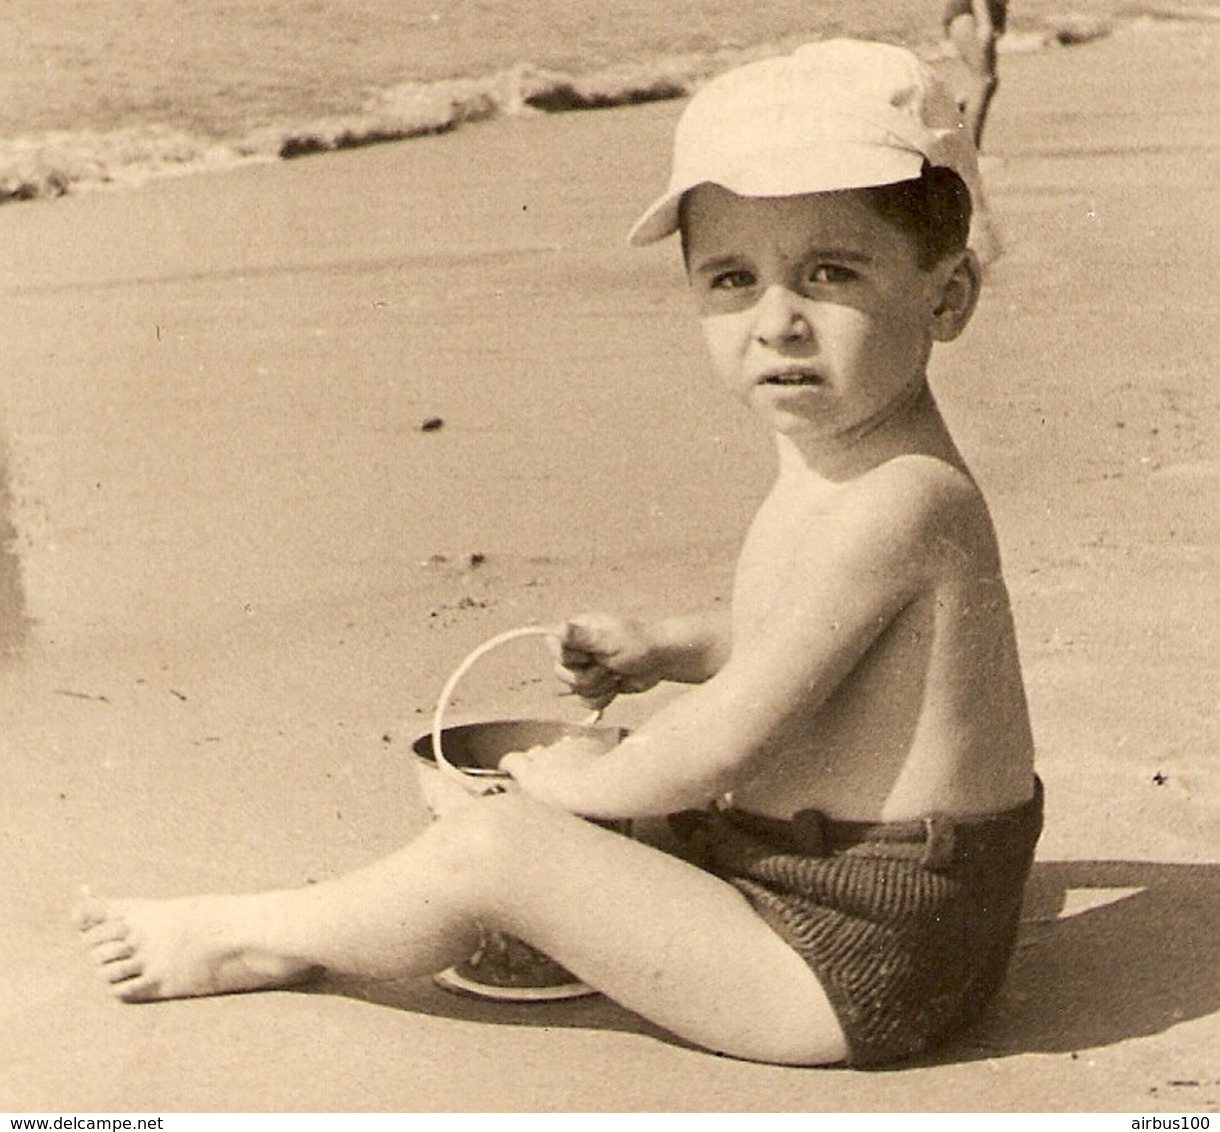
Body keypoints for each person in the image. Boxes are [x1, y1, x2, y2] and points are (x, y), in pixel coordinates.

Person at [74, 39, 1041, 1068]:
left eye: (829, 272)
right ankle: (448, 903)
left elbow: (723, 745)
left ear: (943, 297)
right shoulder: (854, 461)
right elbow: (814, 637)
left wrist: (569, 789)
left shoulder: (901, 501)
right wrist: (670, 644)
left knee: (500, 842)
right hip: (825, 882)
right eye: (731, 277)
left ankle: (248, 936)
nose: (776, 323)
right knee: (556, 810)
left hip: (858, 960)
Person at [943, 0, 1007, 148]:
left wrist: (998, 22)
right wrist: (985, 23)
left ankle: (953, 111)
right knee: (984, 81)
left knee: (986, 82)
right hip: (969, 17)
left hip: (969, 17)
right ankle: (971, 147)